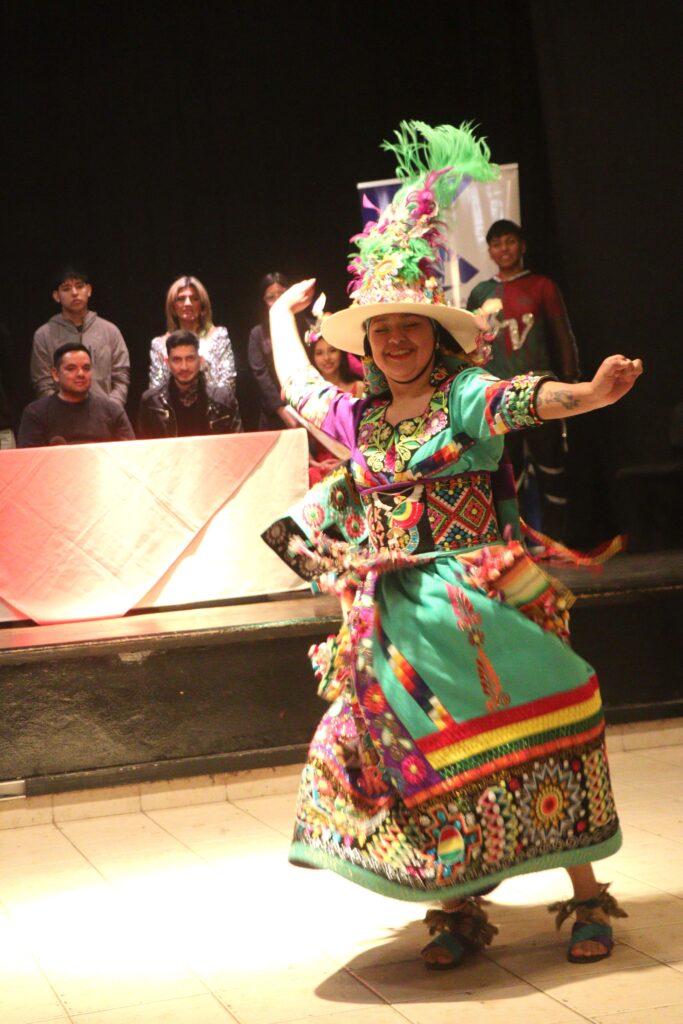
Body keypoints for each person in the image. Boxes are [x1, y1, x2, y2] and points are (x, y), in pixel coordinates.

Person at [267, 121, 641, 971]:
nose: (395, 340)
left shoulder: (463, 396)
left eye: (411, 327)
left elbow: (525, 400)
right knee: (424, 758)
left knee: (540, 721)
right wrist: (276, 316)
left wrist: (590, 393)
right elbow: (295, 387)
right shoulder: (356, 417)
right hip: (392, 622)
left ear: (436, 335)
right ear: (365, 344)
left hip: (475, 602)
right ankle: (455, 904)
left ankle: (585, 893)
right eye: (381, 331)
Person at [467, 221, 580, 540]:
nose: (504, 249)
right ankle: (513, 545)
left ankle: (558, 542)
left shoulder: (542, 286)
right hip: (498, 394)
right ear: (489, 251)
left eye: (510, 241)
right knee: (506, 472)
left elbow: (562, 335)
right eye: (497, 244)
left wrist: (570, 383)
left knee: (552, 467)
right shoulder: (480, 293)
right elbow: (470, 345)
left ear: (522, 245)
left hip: (539, 389)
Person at [31, 267, 130, 405]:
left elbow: (121, 377)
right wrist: (60, 411)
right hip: (61, 415)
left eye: (79, 286)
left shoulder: (110, 331)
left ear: (89, 290)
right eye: (66, 288)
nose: (74, 293)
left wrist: (110, 409)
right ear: (56, 296)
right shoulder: (44, 335)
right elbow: (43, 383)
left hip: (104, 414)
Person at [18, 342, 135, 447]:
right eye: (71, 368)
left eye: (86, 368)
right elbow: (30, 460)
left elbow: (130, 454)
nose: (80, 374)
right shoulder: (36, 413)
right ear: (55, 374)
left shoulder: (112, 411)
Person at [138, 330, 242, 439]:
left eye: (190, 359)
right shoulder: (151, 402)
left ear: (200, 360)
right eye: (177, 360)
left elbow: (237, 444)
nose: (184, 367)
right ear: (167, 363)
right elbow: (144, 447)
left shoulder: (224, 400)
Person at [148, 276, 237, 400]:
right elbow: (156, 391)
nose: (188, 303)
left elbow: (227, 383)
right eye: (181, 299)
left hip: (214, 408)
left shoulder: (218, 336)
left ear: (202, 305)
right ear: (173, 307)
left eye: (194, 299)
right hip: (172, 410)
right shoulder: (159, 344)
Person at [247, 272, 300, 431]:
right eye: (271, 297)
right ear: (263, 301)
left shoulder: (307, 326)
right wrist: (281, 410)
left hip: (308, 407)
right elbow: (261, 375)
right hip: (274, 414)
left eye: (281, 294)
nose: (278, 301)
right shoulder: (258, 334)